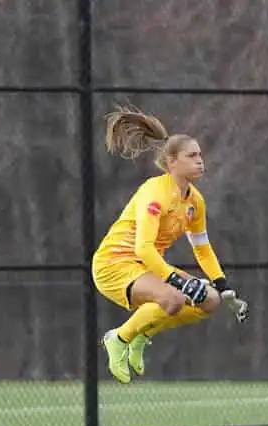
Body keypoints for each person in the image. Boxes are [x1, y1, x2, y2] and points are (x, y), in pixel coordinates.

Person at [91, 105, 250, 384]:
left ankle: (143, 334)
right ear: (171, 163)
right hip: (113, 265)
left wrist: (221, 284)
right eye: (192, 156)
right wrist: (175, 279)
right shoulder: (156, 194)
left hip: (145, 266)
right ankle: (118, 339)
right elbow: (143, 248)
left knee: (210, 301)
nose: (200, 161)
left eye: (200, 155)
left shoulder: (195, 201)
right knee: (174, 299)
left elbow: (201, 247)